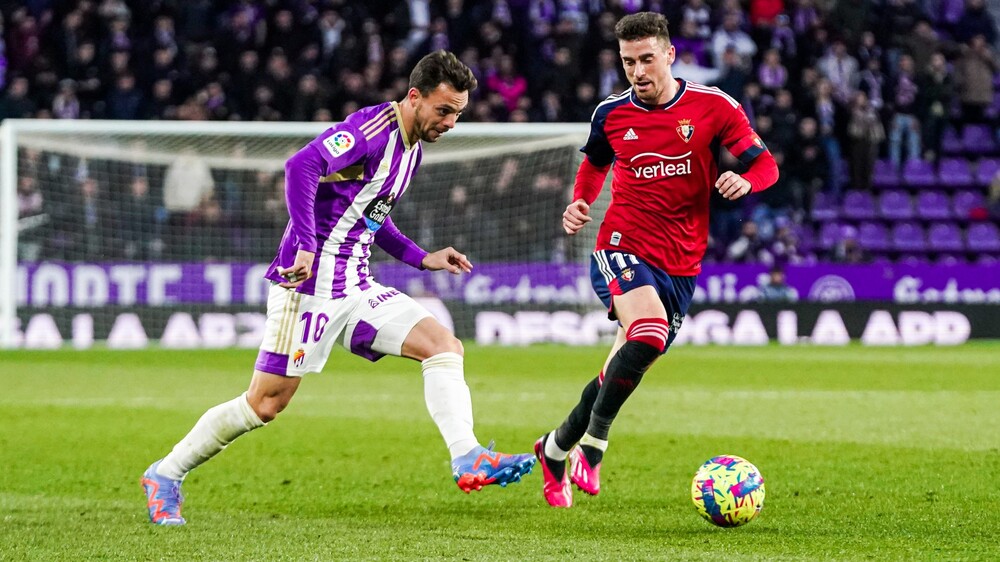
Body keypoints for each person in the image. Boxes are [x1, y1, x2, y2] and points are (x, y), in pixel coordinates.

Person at [141, 50, 535, 526]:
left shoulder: (412, 149)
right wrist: (306, 245)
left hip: (357, 285)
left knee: (443, 345)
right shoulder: (371, 131)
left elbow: (372, 214)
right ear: (415, 98)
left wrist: (421, 256)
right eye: (444, 110)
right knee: (265, 404)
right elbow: (300, 166)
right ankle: (165, 474)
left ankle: (468, 456)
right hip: (305, 287)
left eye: (458, 113)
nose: (451, 122)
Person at [534, 12, 778, 508]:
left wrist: (747, 180)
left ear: (669, 55)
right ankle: (594, 451)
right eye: (628, 62)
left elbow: (765, 163)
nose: (638, 71)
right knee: (648, 332)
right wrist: (582, 200)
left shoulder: (714, 107)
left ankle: (555, 447)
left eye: (647, 59)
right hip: (621, 245)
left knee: (623, 365)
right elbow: (595, 163)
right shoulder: (611, 113)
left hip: (682, 262)